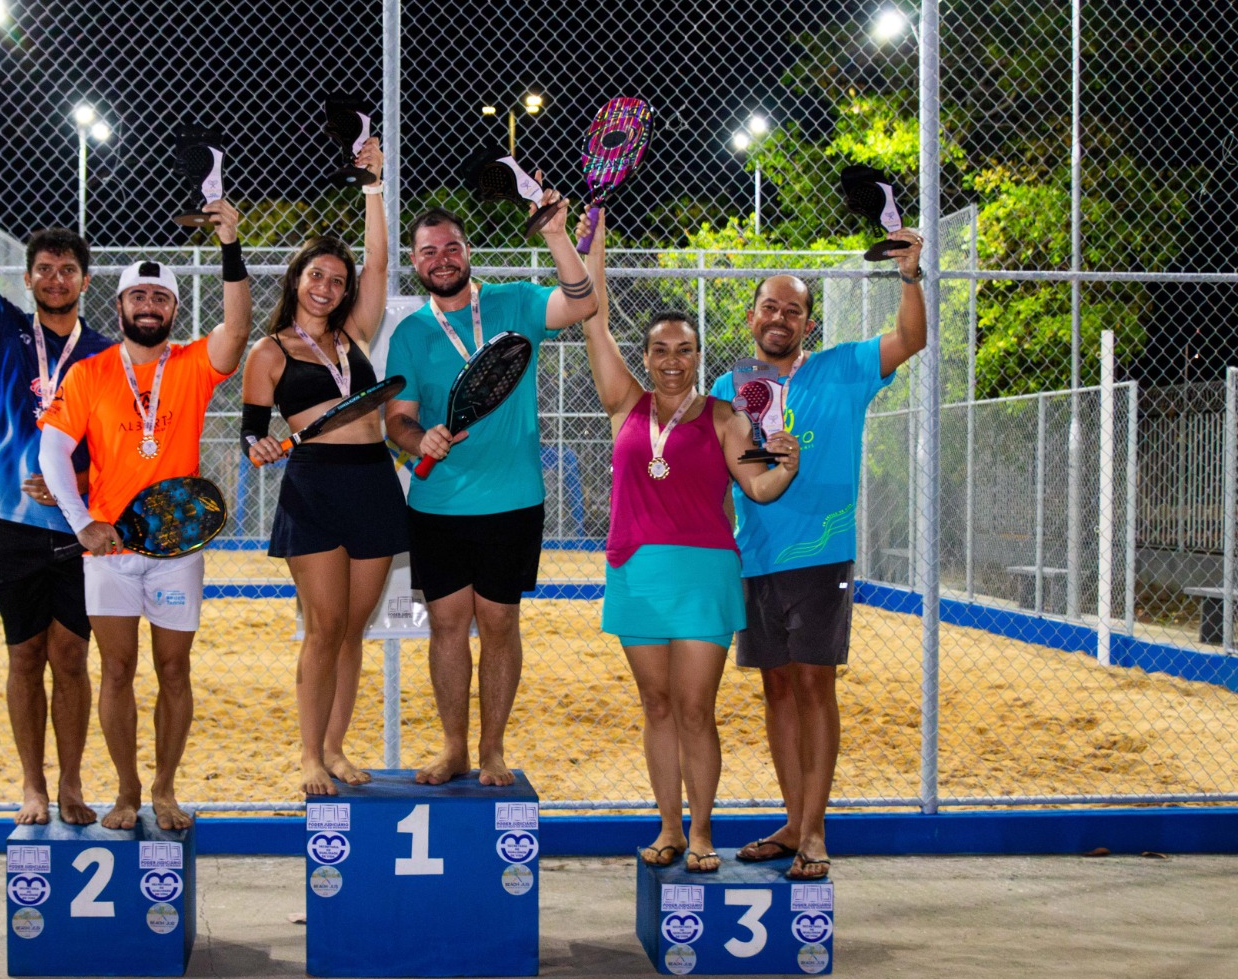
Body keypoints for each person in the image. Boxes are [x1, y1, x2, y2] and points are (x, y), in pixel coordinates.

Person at [577, 212, 800, 871]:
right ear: (645, 357)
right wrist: (596, 235)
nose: (671, 362)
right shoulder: (624, 402)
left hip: (703, 573)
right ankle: (669, 829)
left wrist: (783, 463)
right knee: (657, 704)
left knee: (696, 708)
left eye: (684, 350)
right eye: (660, 351)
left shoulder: (726, 416)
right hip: (636, 572)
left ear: (699, 358)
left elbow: (757, 491)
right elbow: (593, 315)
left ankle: (702, 833)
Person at [708, 229, 926, 879]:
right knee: (776, 690)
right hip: (756, 558)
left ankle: (815, 831)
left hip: (821, 555)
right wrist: (725, 549)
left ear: (809, 322)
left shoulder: (844, 367)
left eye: (793, 310)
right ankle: (793, 819)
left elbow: (910, 339)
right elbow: (724, 476)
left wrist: (909, 278)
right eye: (769, 308)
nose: (780, 318)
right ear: (752, 317)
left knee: (812, 685)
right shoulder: (730, 383)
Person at [38, 202, 252, 831]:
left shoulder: (191, 365)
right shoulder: (89, 374)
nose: (149, 305)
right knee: (118, 670)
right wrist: (81, 522)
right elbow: (52, 450)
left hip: (175, 547)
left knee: (174, 669)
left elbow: (237, 331)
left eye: (161, 296)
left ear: (175, 310)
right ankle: (127, 792)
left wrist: (230, 245)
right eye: (139, 296)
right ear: (122, 307)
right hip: (108, 549)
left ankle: (163, 789)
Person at [0, 146, 115, 826]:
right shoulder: (5, 331)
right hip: (8, 518)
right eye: (45, 269)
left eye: (68, 269)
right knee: (24, 653)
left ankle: (70, 783)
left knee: (70, 654)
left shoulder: (105, 355)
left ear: (85, 281)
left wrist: (75, 484)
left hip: (79, 526)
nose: (56, 278)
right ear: (30, 279)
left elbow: (115, 445)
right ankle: (31, 786)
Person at [383, 189, 598, 786]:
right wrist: (415, 437)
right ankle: (453, 748)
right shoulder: (411, 334)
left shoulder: (515, 301)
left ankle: (491, 751)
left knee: (500, 625)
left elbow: (582, 302)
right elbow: (396, 417)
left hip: (513, 500)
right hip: (437, 505)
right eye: (429, 251)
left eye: (452, 246)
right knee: (448, 626)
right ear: (415, 262)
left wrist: (558, 235)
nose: (442, 258)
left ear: (468, 251)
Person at [241, 140, 402, 796]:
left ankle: (335, 748)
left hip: (373, 480)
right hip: (313, 487)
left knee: (354, 629)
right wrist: (263, 446)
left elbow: (381, 264)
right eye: (318, 276)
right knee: (323, 626)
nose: (329, 286)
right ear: (296, 280)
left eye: (338, 279)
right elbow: (253, 434)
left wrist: (373, 188)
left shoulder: (354, 335)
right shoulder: (269, 350)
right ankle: (309, 755)